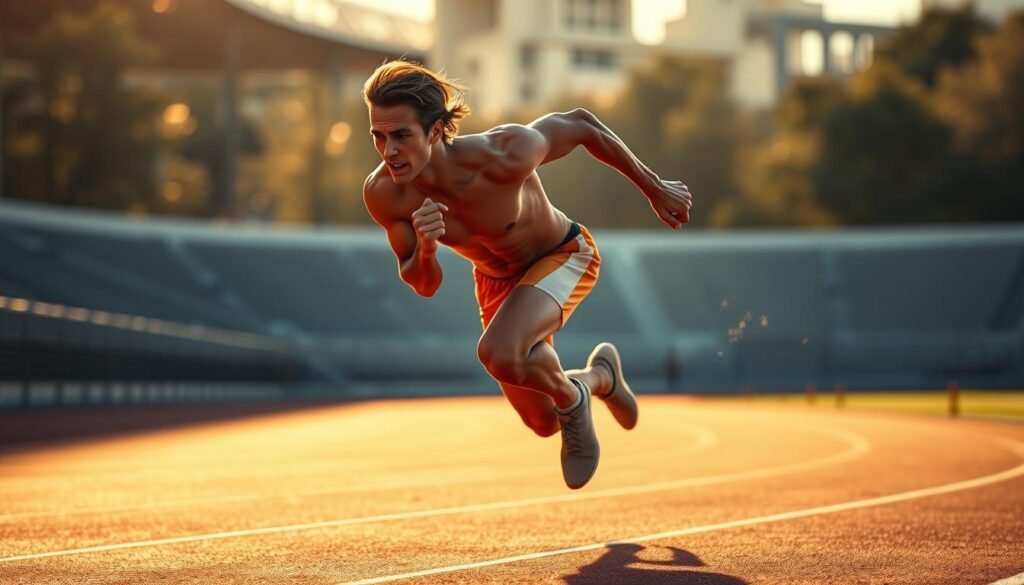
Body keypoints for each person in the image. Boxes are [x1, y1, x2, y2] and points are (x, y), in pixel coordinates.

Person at [361, 60, 692, 489]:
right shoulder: (385, 194)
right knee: (541, 423)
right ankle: (600, 379)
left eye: (401, 135)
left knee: (498, 352)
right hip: (497, 281)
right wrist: (425, 247)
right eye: (378, 136)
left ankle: (573, 399)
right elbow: (424, 284)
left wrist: (655, 187)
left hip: (562, 254)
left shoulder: (503, 153)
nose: (388, 151)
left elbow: (581, 124)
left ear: (437, 131)